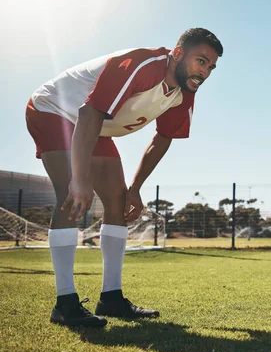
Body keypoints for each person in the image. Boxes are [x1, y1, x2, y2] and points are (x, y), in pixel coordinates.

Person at [25, 28, 223, 327]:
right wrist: (79, 180)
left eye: (210, 67)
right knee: (72, 197)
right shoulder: (144, 65)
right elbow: (90, 112)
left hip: (94, 124)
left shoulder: (185, 92)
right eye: (201, 61)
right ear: (178, 53)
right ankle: (65, 303)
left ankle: (112, 298)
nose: (204, 72)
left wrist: (135, 188)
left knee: (117, 202)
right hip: (55, 109)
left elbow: (163, 138)